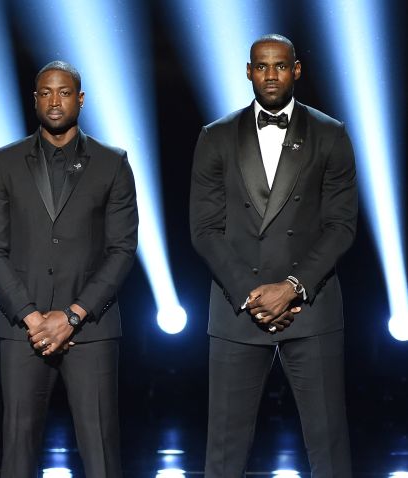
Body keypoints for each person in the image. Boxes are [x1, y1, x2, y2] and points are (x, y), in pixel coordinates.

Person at [189, 34, 357, 477]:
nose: (270, 75)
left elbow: (341, 225)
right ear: (248, 71)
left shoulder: (330, 133)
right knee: (224, 450)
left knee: (329, 445)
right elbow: (204, 230)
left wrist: (292, 288)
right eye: (261, 66)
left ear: (296, 70)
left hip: (312, 307)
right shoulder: (216, 136)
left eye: (280, 66)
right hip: (237, 309)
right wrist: (252, 293)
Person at [0, 60, 138, 477]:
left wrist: (72, 315)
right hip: (20, 328)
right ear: (35, 99)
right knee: (17, 451)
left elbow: (122, 249)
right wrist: (33, 317)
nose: (55, 100)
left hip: (91, 328)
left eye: (64, 92)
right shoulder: (4, 161)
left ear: (80, 99)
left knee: (101, 449)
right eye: (46, 92)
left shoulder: (112, 162)